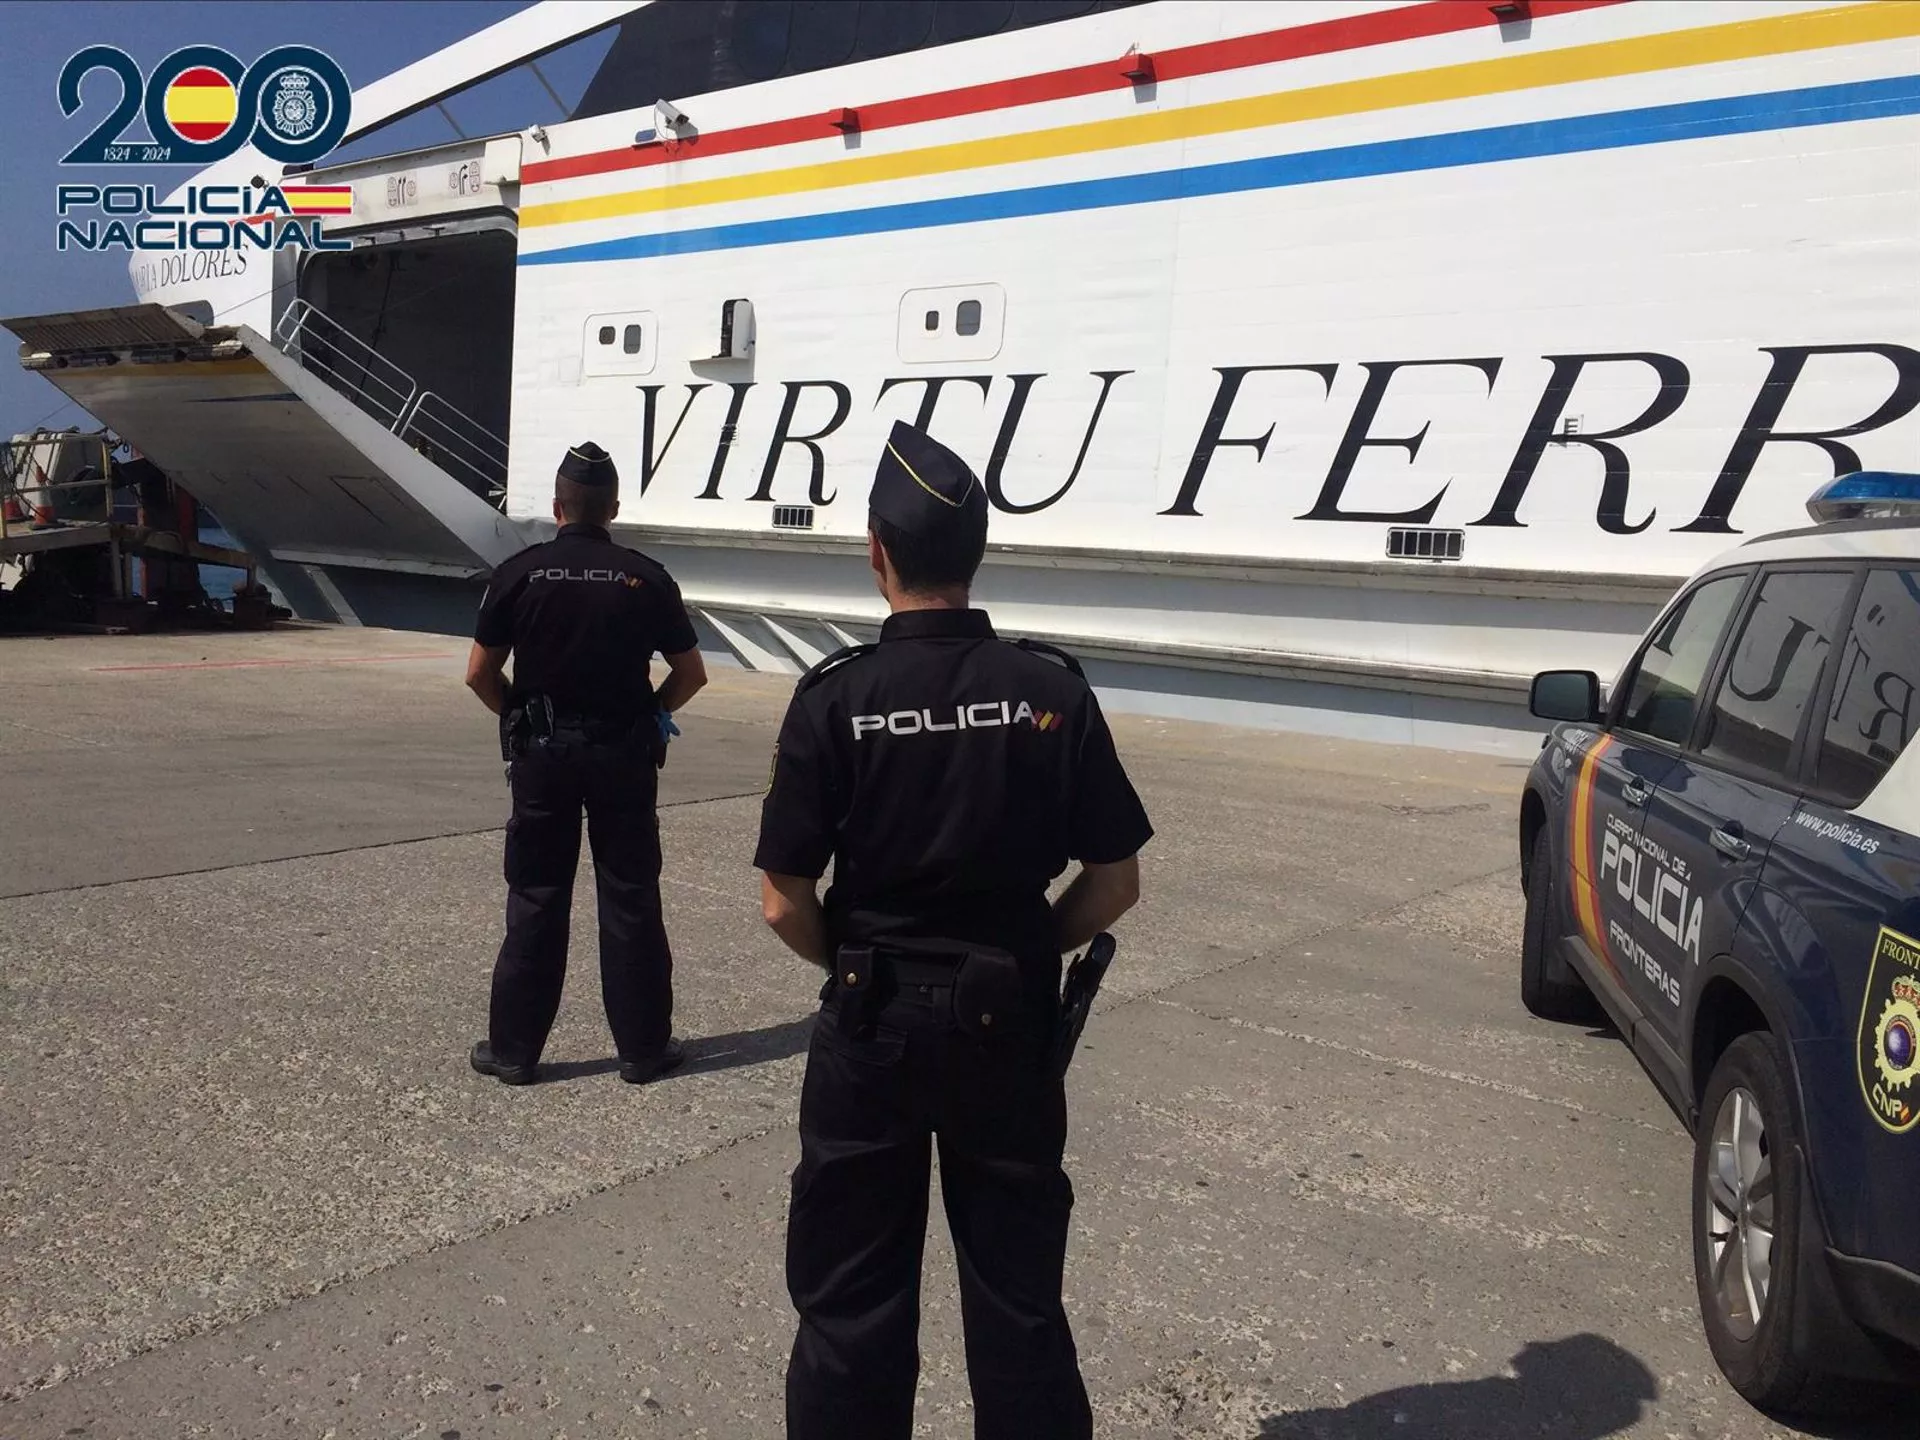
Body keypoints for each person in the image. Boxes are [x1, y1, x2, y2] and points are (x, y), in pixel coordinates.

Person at [754, 420, 1153, 1439]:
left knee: (850, 1305)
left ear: (876, 555)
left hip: (869, 1021)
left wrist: (850, 957)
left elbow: (781, 897)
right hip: (1006, 1024)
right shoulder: (1051, 691)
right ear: (974, 557)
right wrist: (1027, 953)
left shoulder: (835, 698)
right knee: (1018, 1304)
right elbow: (1113, 885)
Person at [464, 441, 707, 1086]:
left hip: (544, 756)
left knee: (537, 896)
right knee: (630, 897)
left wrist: (517, 712)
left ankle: (513, 1052)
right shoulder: (646, 577)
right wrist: (654, 709)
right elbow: (691, 674)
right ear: (614, 509)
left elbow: (479, 674)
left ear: (557, 507)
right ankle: (643, 1050)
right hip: (623, 753)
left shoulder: (519, 573)